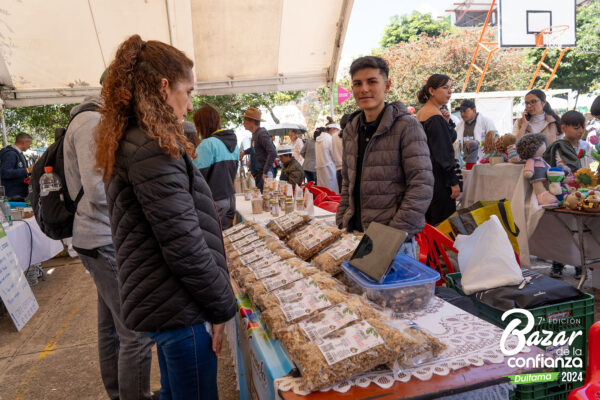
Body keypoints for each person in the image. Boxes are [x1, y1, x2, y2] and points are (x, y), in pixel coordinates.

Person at [95, 35, 236, 400]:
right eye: (186, 91)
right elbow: (184, 246)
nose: (189, 105)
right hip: (180, 308)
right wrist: (222, 306)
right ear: (162, 87)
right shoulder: (151, 149)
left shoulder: (137, 140)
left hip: (168, 302)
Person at [63, 85, 156, 400]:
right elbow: (97, 190)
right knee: (137, 332)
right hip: (103, 238)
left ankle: (119, 393)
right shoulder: (91, 122)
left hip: (100, 237)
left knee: (112, 328)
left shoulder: (91, 119)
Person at [336, 56, 433, 255]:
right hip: (355, 236)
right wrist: (342, 219)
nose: (364, 89)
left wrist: (392, 235)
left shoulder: (407, 126)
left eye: (372, 82)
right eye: (357, 83)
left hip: (394, 242)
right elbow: (347, 181)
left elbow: (421, 185)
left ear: (387, 85)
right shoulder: (351, 129)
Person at [543, 110, 587, 280]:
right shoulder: (558, 146)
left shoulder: (585, 146)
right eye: (576, 127)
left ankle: (579, 263)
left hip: (582, 191)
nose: (580, 131)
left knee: (581, 229)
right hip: (564, 190)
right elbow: (559, 167)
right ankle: (558, 262)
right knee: (562, 229)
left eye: (582, 127)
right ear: (563, 127)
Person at [416, 74, 461, 225]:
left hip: (426, 178)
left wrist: (447, 123)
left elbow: (446, 140)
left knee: (430, 226)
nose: (449, 92)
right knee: (443, 226)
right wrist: (453, 182)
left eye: (450, 88)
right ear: (432, 90)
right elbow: (443, 153)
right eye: (444, 87)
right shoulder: (434, 116)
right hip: (440, 180)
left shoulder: (422, 114)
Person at [193, 105, 239, 229]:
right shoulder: (234, 144)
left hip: (215, 201)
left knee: (213, 242)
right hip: (231, 199)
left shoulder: (207, 144)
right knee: (226, 241)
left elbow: (196, 177)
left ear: (201, 124)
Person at [240, 108, 276, 191]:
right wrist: (244, 152)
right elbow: (254, 149)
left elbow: (273, 152)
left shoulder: (261, 133)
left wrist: (265, 172)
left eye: (245, 120)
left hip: (263, 175)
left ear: (252, 121)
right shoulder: (255, 134)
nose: (243, 123)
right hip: (259, 174)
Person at [0, 132, 32, 200]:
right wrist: (27, 170)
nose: (29, 147)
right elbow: (5, 173)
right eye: (29, 144)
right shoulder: (10, 154)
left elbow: (20, 172)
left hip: (19, 194)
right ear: (24, 143)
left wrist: (28, 176)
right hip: (12, 196)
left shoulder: (20, 154)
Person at [315, 118, 338, 193]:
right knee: (331, 192)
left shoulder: (318, 140)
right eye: (336, 130)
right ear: (332, 129)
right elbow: (334, 155)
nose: (337, 132)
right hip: (330, 169)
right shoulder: (330, 139)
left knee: (322, 192)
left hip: (320, 170)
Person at [328, 117, 343, 194]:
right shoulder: (350, 135)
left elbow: (332, 152)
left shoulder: (333, 137)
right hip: (348, 168)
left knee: (341, 193)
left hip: (338, 168)